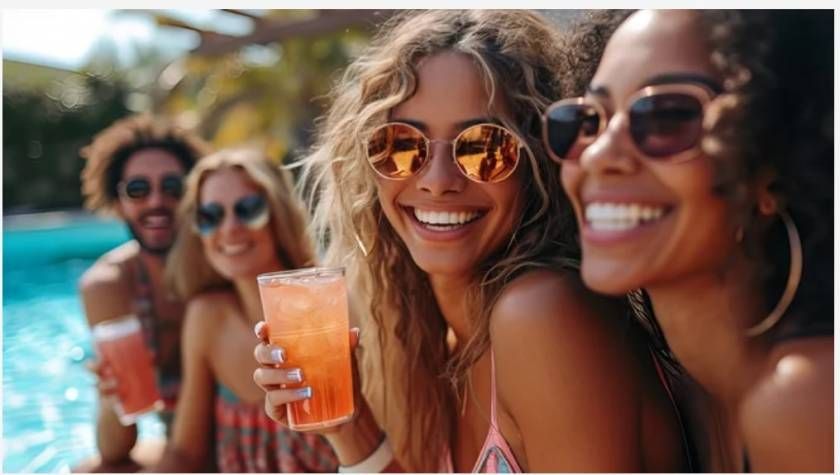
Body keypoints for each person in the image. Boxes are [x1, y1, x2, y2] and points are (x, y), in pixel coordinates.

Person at [254, 10, 690, 472]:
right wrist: (350, 427)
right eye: (401, 146)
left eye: (483, 148)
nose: (437, 182)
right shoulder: (440, 345)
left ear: (536, 162)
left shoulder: (542, 314)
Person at [543, 9, 833, 472]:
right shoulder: (665, 393)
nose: (598, 154)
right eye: (588, 119)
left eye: (666, 118)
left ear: (773, 166)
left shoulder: (811, 401)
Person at [153, 148, 338, 472]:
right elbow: (185, 453)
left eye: (248, 210)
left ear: (279, 216)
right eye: (210, 216)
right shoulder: (207, 317)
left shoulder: (327, 306)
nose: (229, 228)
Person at [76, 114, 212, 472]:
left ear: (195, 195)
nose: (156, 201)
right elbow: (115, 452)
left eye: (173, 187)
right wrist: (110, 401)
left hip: (243, 430)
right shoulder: (108, 286)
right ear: (118, 202)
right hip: (180, 443)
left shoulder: (223, 266)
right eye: (138, 189)